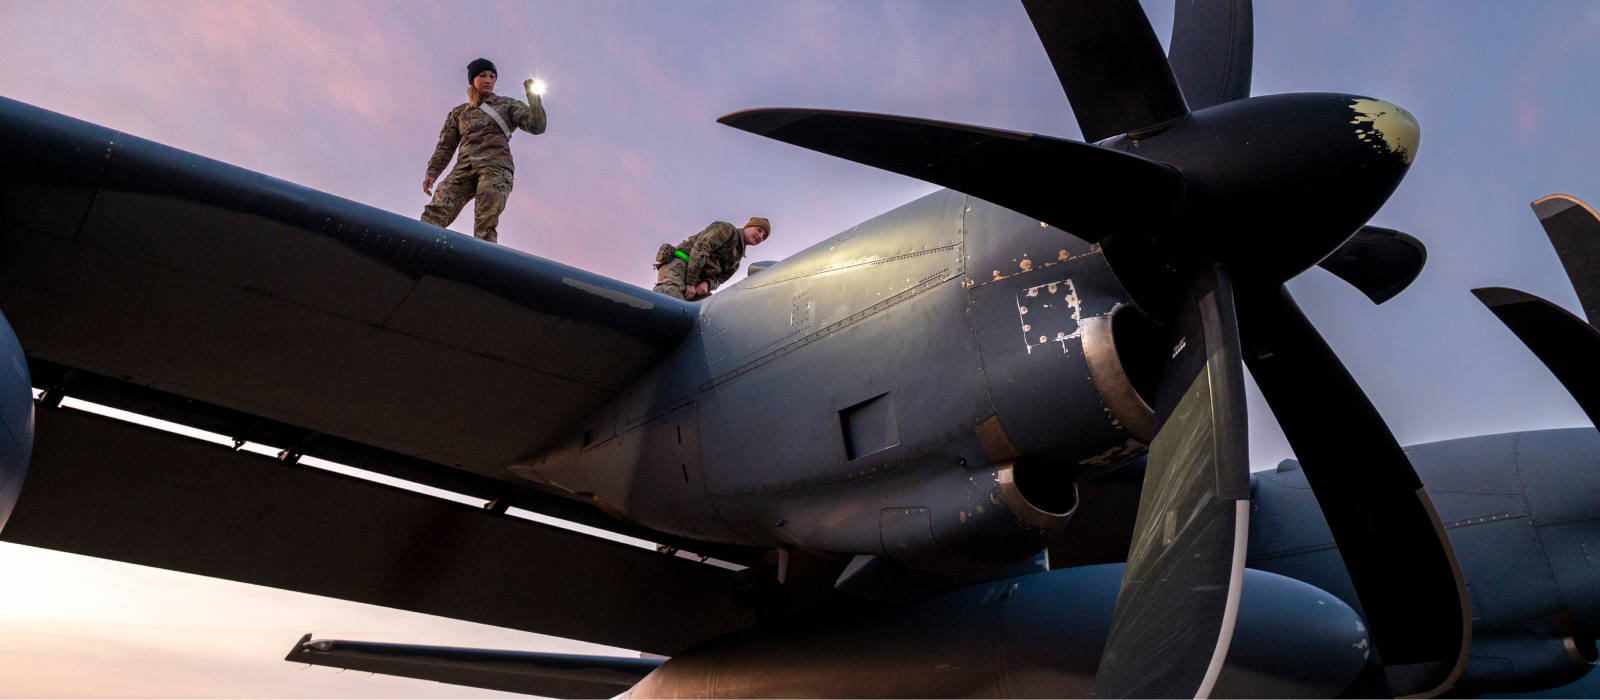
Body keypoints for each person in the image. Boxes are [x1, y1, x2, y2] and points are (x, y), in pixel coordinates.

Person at [420, 58, 546, 244]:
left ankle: (482, 261)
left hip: (495, 168)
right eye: (483, 75)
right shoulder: (459, 113)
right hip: (464, 168)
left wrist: (534, 99)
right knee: (438, 206)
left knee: (485, 223)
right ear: (472, 80)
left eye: (492, 76)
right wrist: (433, 172)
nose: (488, 80)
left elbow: (536, 126)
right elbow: (446, 146)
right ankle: (421, 243)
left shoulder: (506, 105)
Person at [653, 218, 771, 301]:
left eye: (764, 237)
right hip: (680, 265)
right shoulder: (727, 230)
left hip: (696, 282)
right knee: (667, 300)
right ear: (748, 226)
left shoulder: (736, 262)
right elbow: (701, 248)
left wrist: (707, 284)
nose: (760, 237)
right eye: (759, 230)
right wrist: (691, 282)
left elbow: (719, 279)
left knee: (709, 314)